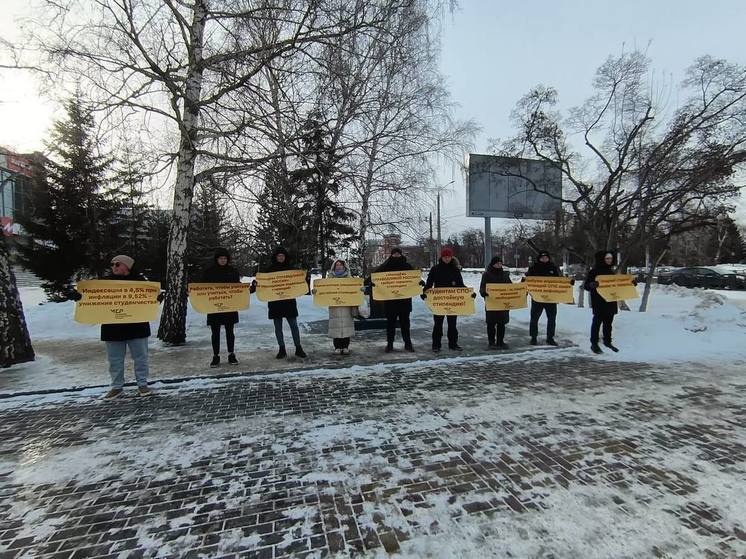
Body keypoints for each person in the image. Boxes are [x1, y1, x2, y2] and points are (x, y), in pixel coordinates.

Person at [73, 254, 160, 399]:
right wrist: (79, 297)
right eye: (112, 264)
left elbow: (150, 299)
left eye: (117, 264)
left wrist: (156, 299)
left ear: (127, 266)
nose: (114, 267)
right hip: (112, 326)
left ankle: (142, 384)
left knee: (140, 357)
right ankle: (116, 387)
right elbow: (90, 296)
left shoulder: (140, 282)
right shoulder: (105, 283)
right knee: (115, 359)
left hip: (136, 326)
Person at [201, 247, 251, 368]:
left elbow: (238, 287)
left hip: (230, 307)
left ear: (227, 259)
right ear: (217, 259)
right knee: (215, 332)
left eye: (225, 258)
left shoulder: (232, 271)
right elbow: (202, 288)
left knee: (230, 332)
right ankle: (215, 356)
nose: (223, 260)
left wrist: (249, 289)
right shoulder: (209, 272)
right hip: (214, 307)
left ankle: (231, 354)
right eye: (220, 258)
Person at [368, 247, 421, 353]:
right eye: (394, 254)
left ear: (401, 255)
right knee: (390, 324)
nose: (396, 256)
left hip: (404, 300)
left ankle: (408, 344)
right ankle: (390, 344)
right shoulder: (386, 266)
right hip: (390, 301)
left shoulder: (407, 266)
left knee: (405, 324)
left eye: (398, 254)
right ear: (391, 255)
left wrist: (420, 282)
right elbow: (374, 277)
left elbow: (414, 278)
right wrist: (371, 283)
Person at [261, 247, 307, 359]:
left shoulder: (291, 269)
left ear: (285, 257)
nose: (281, 258)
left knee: (294, 326)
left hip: (289, 302)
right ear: (275, 257)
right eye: (279, 256)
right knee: (278, 327)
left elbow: (297, 284)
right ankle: (282, 349)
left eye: (282, 256)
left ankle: (298, 348)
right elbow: (264, 284)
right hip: (275, 303)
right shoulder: (269, 270)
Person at [422, 247, 469, 352]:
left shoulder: (455, 269)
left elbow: (460, 285)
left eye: (448, 257)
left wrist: (468, 293)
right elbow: (429, 283)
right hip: (439, 301)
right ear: (442, 257)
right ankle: (436, 345)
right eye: (445, 257)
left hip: (452, 301)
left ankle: (453, 344)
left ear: (451, 257)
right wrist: (424, 292)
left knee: (452, 324)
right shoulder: (435, 269)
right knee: (438, 324)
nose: (447, 259)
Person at [584, 250, 626, 354]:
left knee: (608, 322)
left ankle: (607, 341)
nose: (609, 260)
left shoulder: (611, 271)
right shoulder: (594, 272)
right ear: (602, 259)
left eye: (611, 258)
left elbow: (617, 284)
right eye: (607, 258)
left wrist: (629, 283)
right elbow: (586, 286)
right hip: (599, 301)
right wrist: (591, 285)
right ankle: (594, 343)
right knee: (597, 322)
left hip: (610, 300)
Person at [525, 250, 562, 346]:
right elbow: (528, 280)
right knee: (534, 318)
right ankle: (533, 337)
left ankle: (550, 338)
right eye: (542, 258)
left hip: (550, 298)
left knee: (552, 318)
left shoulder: (553, 268)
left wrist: (568, 284)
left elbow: (559, 281)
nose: (544, 259)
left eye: (546, 257)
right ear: (539, 258)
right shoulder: (534, 268)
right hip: (537, 298)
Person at [321, 259, 357, 355]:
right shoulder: (330, 279)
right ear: (334, 267)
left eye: (340, 265)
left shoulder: (349, 278)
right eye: (337, 265)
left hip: (346, 305)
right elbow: (324, 290)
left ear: (344, 266)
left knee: (346, 326)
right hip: (335, 306)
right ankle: (337, 347)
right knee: (336, 326)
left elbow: (355, 289)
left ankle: (345, 346)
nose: (339, 266)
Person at [479, 256, 512, 349]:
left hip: (502, 303)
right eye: (497, 263)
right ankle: (491, 342)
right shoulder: (487, 274)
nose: (499, 265)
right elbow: (482, 286)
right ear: (493, 264)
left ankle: (500, 342)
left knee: (501, 324)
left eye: (500, 263)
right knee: (491, 323)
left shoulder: (505, 275)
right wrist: (483, 293)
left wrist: (519, 290)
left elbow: (511, 287)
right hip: (491, 302)